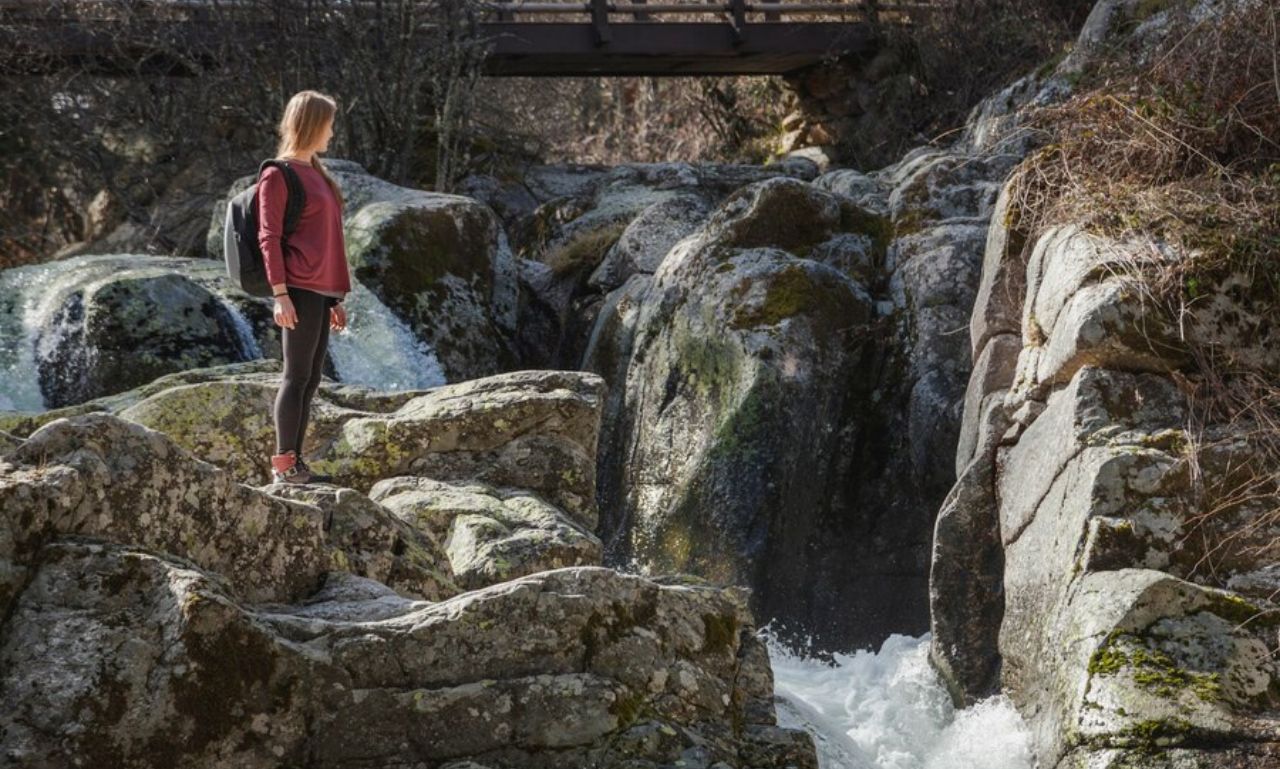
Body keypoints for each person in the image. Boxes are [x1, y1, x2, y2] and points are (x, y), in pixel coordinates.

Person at [257, 89, 352, 484]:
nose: (332, 131)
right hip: (296, 288)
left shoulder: (318, 174)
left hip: (319, 291)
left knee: (311, 377)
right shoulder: (278, 174)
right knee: (295, 377)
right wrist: (280, 294)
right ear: (313, 124)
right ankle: (284, 465)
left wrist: (333, 298)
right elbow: (269, 237)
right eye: (328, 123)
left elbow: (325, 238)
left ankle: (296, 463)